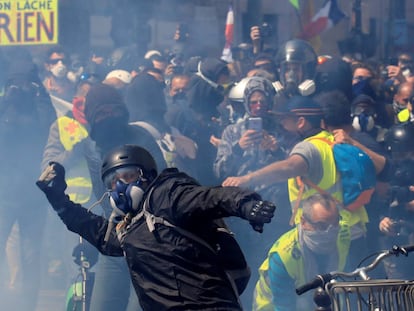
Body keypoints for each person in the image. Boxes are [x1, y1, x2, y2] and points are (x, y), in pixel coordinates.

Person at [36, 144, 276, 310]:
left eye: (127, 176)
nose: (119, 186)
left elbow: (212, 198)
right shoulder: (130, 226)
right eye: (113, 181)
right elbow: (101, 235)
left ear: (147, 175)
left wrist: (247, 205)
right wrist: (59, 200)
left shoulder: (168, 195)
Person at [0, 56, 57, 310]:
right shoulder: (6, 103)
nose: (20, 86)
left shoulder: (40, 103)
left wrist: (38, 95)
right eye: (16, 82)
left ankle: (27, 305)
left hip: (32, 194)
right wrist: (7, 100)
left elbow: (48, 128)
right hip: (4, 191)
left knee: (32, 254)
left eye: (25, 81)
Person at [253, 193, 350, 311]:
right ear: (303, 222)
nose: (330, 231)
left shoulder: (344, 233)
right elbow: (284, 306)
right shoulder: (283, 256)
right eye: (321, 226)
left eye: (335, 223)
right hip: (272, 306)